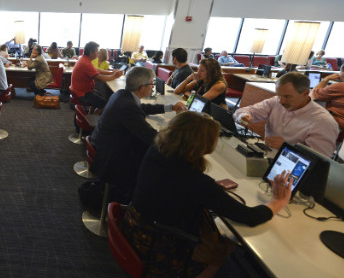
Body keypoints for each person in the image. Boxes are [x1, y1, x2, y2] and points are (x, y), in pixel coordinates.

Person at [122, 111, 293, 277]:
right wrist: (278, 201)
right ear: (204, 145)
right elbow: (249, 217)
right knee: (227, 246)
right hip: (161, 249)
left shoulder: (157, 150)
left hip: (136, 228)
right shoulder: (195, 181)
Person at [90, 67, 186, 201]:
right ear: (142, 88)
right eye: (152, 84)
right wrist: (180, 129)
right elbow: (152, 137)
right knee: (157, 156)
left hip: (104, 142)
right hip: (110, 154)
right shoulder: (127, 106)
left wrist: (170, 107)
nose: (152, 88)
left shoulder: (123, 94)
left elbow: (141, 109)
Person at [234, 72, 339, 156]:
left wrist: (287, 147)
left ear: (306, 93)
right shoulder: (276, 101)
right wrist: (242, 116)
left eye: (287, 96)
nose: (281, 101)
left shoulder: (323, 122)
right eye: (279, 95)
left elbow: (319, 161)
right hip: (267, 154)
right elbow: (245, 111)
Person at [71, 41, 123, 111]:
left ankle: (90, 114)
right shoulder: (86, 63)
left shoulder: (84, 59)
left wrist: (111, 72)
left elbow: (97, 70)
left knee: (101, 96)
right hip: (82, 94)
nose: (98, 54)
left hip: (81, 90)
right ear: (91, 52)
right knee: (106, 104)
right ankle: (91, 120)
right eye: (97, 52)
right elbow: (101, 78)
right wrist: (115, 76)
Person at [310, 66, 344, 130]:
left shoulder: (340, 86)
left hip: (337, 121)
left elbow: (313, 94)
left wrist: (326, 79)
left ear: (342, 73)